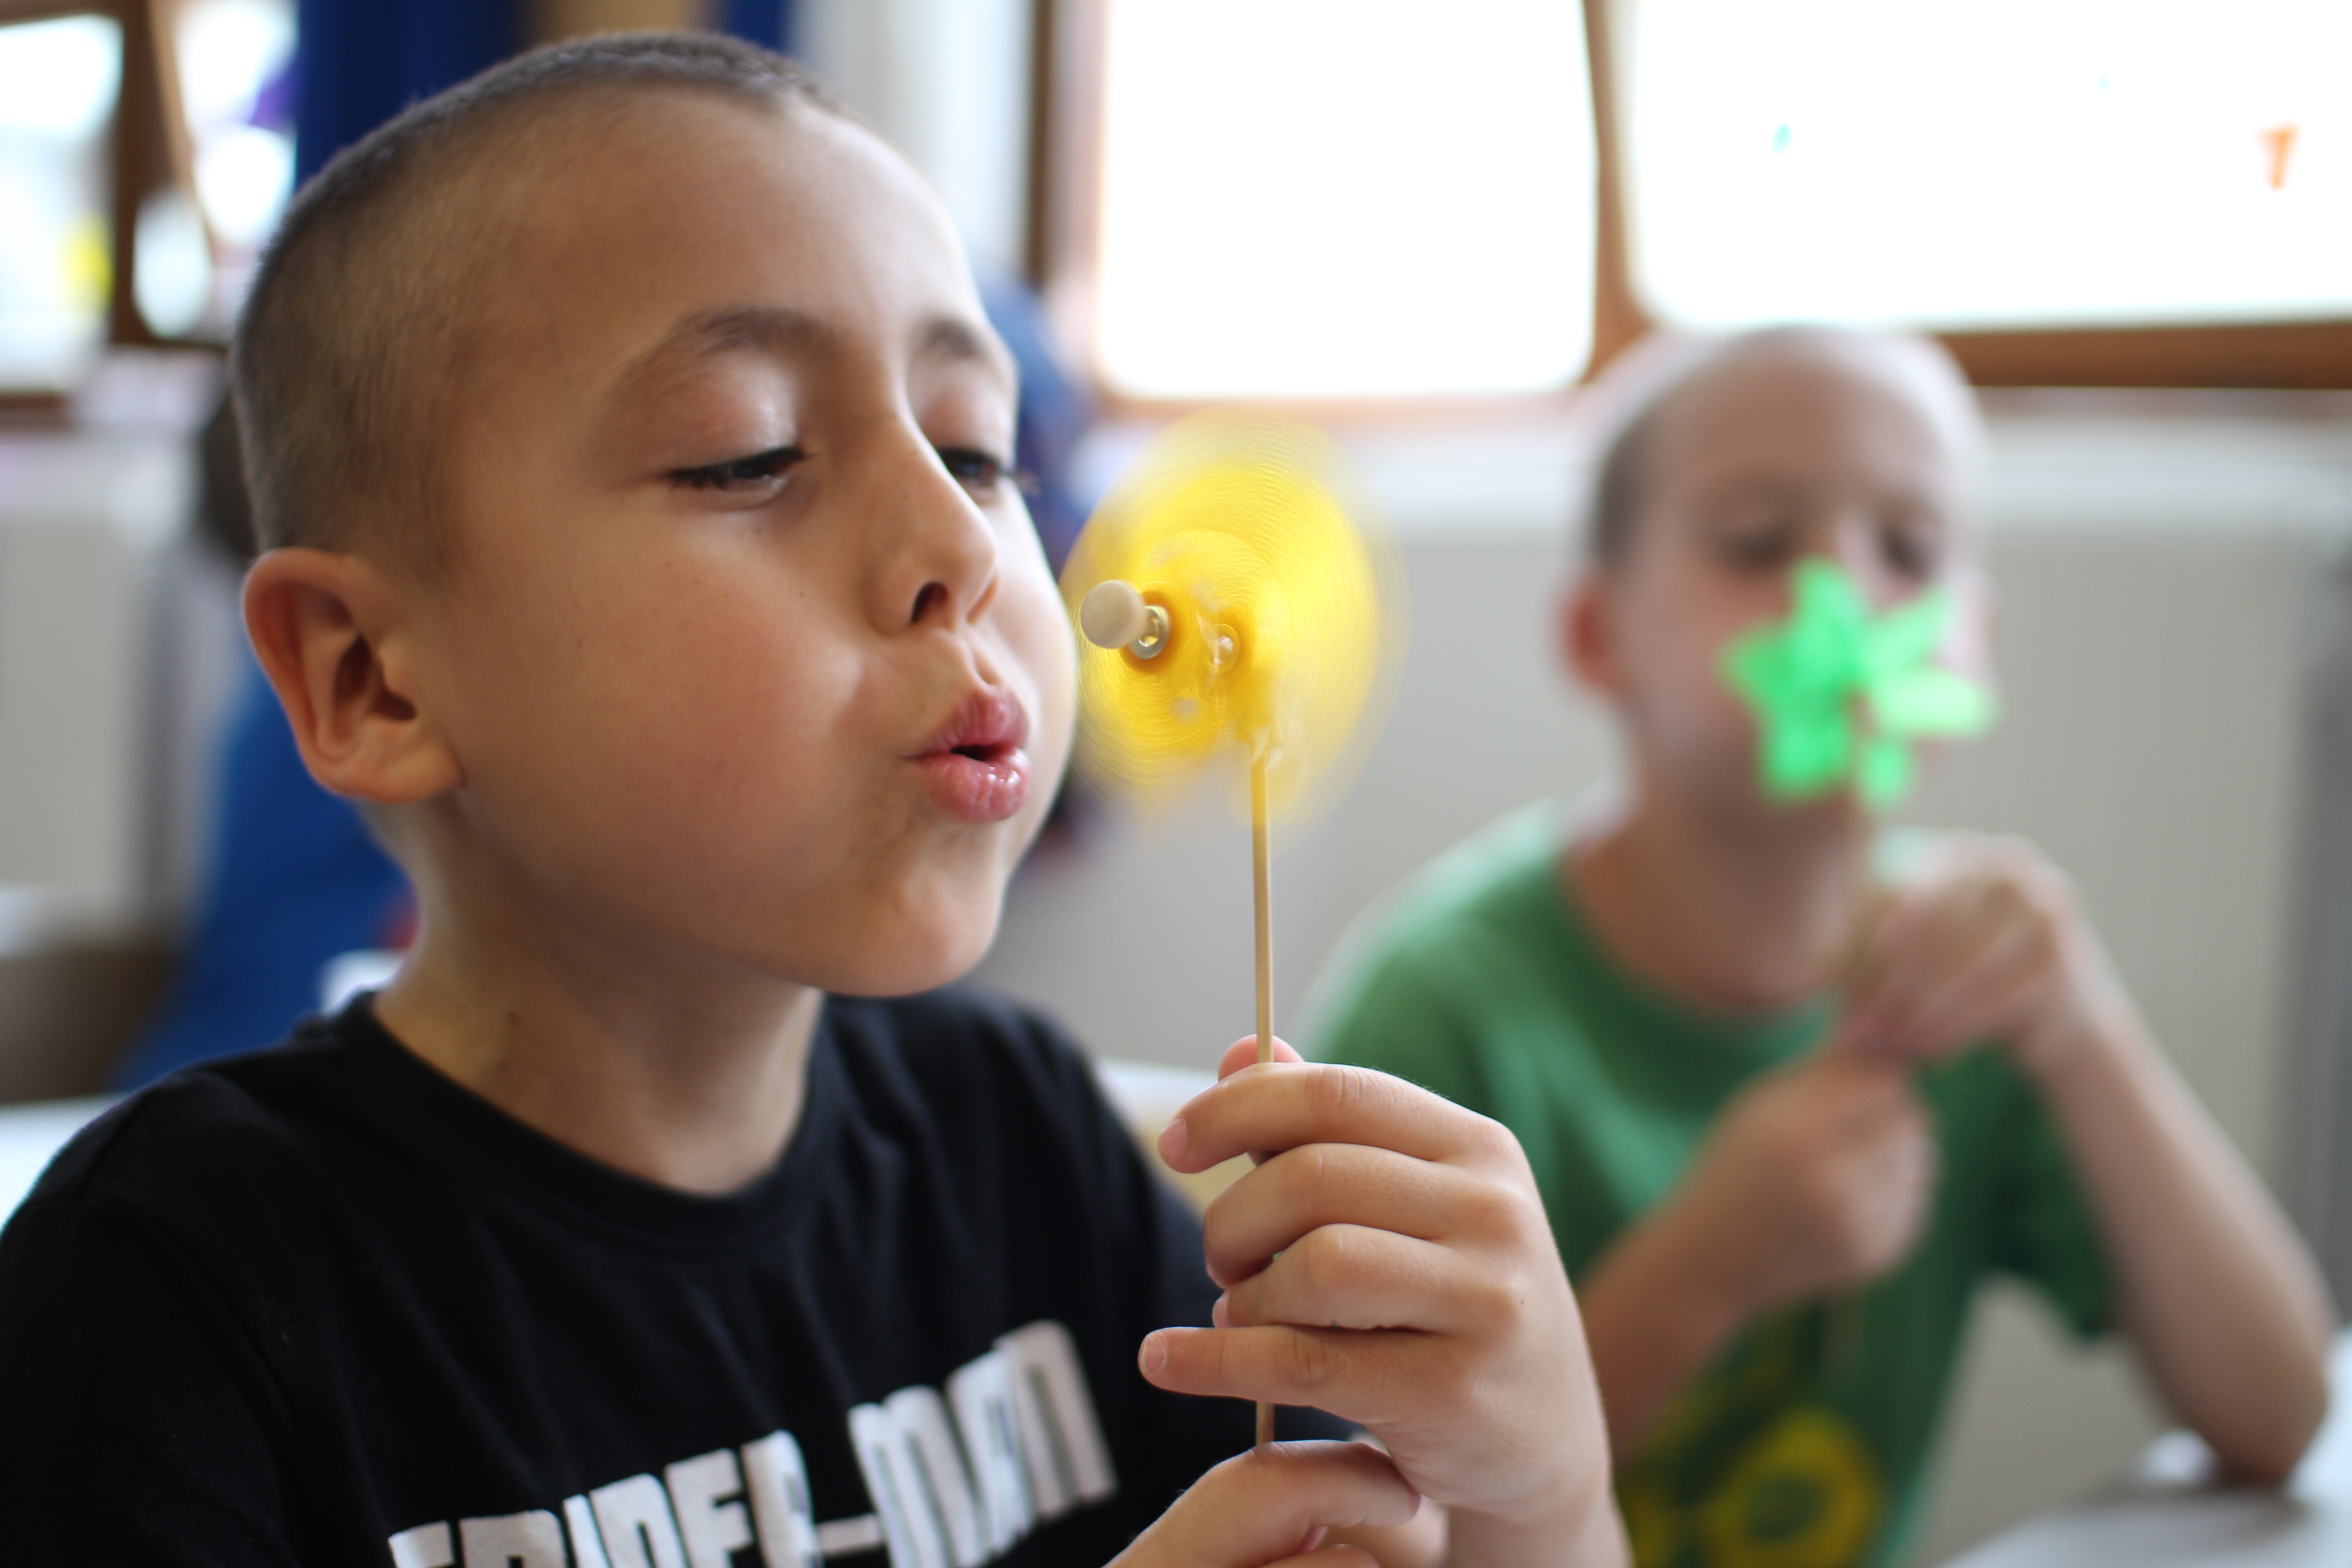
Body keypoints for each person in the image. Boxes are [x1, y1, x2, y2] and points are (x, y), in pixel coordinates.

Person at [0, 35, 1625, 1568]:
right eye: (750, 454)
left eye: (979, 449)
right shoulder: (169, 1292)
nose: (967, 544)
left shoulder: (1013, 1139)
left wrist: (1541, 1496)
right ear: (373, 677)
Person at [1304, 327, 2333, 1568]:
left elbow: (2282, 1415)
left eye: (1910, 550)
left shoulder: (1974, 987)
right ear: (1597, 634)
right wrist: (1702, 1271)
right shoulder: (1446, 1009)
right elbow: (1378, 1525)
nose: (1843, 587)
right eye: (1758, 541)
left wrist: (2084, 1032)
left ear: (1973, 639)